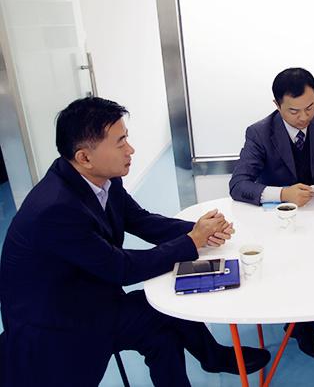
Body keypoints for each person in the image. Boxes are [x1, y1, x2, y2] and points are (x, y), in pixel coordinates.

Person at [0, 97, 271, 387]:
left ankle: (213, 356)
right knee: (159, 318)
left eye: (126, 138)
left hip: (87, 295)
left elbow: (141, 221)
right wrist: (192, 241)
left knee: (161, 325)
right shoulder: (56, 208)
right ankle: (213, 357)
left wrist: (200, 231)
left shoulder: (103, 177)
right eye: (120, 143)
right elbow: (121, 268)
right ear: (84, 157)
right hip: (57, 325)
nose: (130, 149)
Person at [229, 68, 314, 361]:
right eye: (294, 111)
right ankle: (303, 330)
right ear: (277, 105)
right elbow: (238, 185)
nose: (304, 117)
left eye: (310, 107)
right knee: (293, 271)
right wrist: (282, 194)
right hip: (284, 221)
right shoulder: (259, 133)